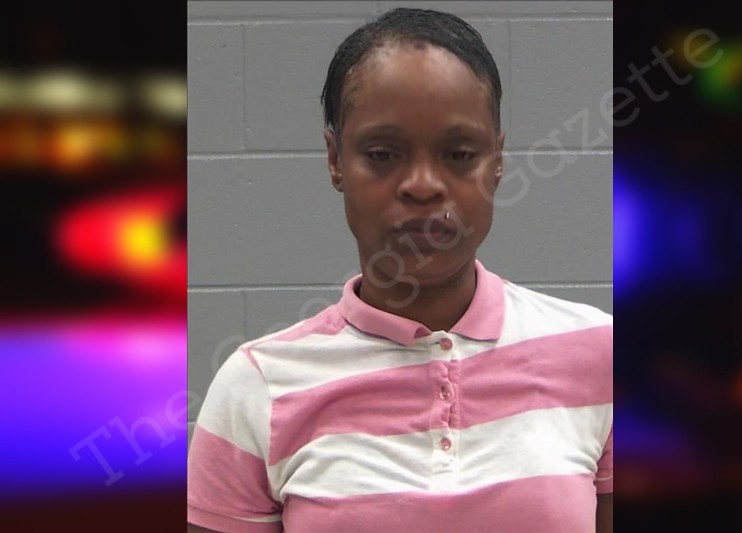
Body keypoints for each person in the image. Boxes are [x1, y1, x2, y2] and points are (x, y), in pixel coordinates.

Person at [188, 7, 612, 533]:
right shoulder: (258, 387)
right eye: (383, 154)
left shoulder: (601, 355)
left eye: (459, 153)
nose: (422, 185)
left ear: (498, 160)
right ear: (335, 159)